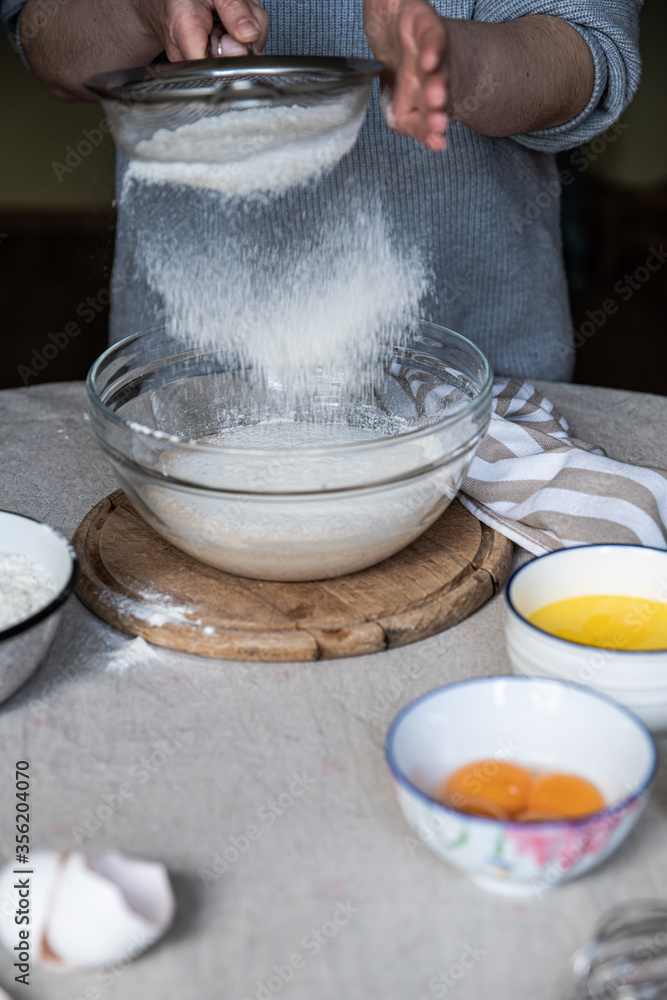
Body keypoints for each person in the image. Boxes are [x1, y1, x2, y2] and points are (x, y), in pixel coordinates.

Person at [2, 0, 642, 380]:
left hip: (475, 380)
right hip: (191, 374)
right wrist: (146, 9)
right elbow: (47, 37)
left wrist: (457, 63)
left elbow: (587, 51)